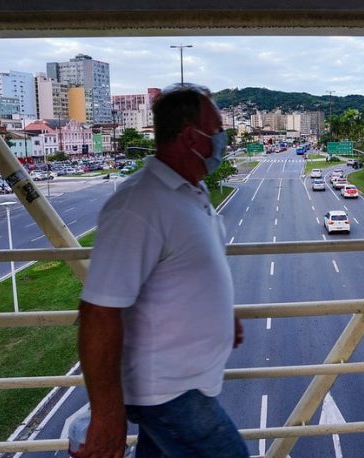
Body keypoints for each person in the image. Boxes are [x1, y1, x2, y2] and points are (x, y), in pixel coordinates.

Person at [75, 83, 248, 458]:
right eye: (218, 130)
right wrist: (107, 418)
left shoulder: (190, 192)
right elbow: (98, 311)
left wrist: (224, 318)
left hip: (187, 385)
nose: (224, 139)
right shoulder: (138, 206)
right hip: (168, 392)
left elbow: (188, 270)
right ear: (191, 137)